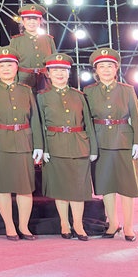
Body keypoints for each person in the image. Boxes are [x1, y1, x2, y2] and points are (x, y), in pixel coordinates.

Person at [0, 47, 43, 241]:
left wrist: (38, 145)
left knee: (25, 187)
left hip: (24, 142)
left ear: (17, 67)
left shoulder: (26, 90)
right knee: (3, 187)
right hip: (0, 143)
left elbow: (35, 119)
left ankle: (24, 226)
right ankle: (9, 226)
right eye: (1, 66)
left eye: (9, 65)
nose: (6, 69)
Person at [82, 48, 138, 242]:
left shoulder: (127, 90)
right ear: (96, 71)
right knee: (105, 184)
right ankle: (113, 223)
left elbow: (136, 117)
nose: (106, 70)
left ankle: (129, 226)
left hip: (123, 140)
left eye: (110, 66)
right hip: (100, 141)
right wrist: (90, 145)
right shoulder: (88, 91)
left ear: (116, 69)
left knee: (127, 186)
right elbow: (86, 120)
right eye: (102, 66)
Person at [37, 53, 97, 241]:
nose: (59, 74)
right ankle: (65, 223)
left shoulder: (79, 95)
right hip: (54, 144)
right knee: (61, 187)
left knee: (78, 188)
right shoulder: (42, 97)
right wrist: (43, 148)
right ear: (48, 74)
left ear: (69, 72)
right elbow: (39, 124)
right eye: (55, 70)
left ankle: (78, 224)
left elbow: (88, 123)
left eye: (63, 70)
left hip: (79, 144)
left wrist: (93, 148)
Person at [8, 4, 55, 92]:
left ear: (40, 21)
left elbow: (54, 63)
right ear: (23, 21)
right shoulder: (16, 40)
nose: (32, 22)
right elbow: (12, 64)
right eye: (28, 19)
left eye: (35, 19)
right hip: (24, 80)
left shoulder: (48, 39)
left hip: (45, 80)